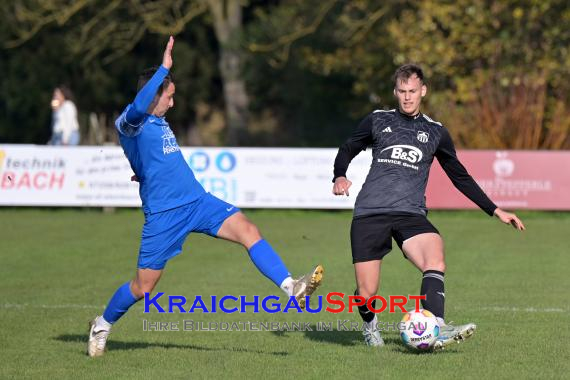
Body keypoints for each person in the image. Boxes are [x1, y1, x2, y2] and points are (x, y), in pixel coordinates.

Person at [87, 36, 324, 357]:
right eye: (168, 96)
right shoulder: (130, 122)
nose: (172, 103)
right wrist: (164, 69)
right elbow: (141, 107)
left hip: (198, 202)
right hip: (164, 216)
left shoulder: (159, 122)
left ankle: (291, 288)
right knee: (143, 287)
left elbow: (156, 161)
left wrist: (146, 172)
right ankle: (102, 324)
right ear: (153, 93)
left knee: (249, 231)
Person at [332, 64, 525, 350]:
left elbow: (459, 176)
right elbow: (348, 148)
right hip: (370, 212)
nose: (407, 97)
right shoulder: (377, 120)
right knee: (366, 292)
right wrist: (340, 175)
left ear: (423, 91)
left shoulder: (436, 132)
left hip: (411, 213)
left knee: (435, 260)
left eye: (412, 91)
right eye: (402, 91)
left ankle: (438, 326)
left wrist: (495, 210)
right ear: (395, 91)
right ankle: (370, 327)